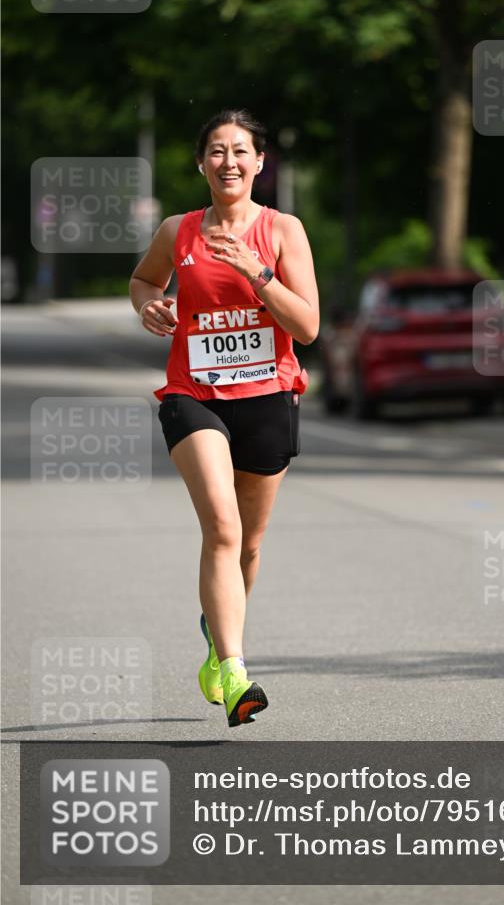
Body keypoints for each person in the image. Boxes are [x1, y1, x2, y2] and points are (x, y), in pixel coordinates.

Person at [129, 109, 319, 727]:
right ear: (200, 163)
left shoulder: (284, 230)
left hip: (268, 396)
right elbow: (141, 280)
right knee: (223, 526)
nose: (229, 162)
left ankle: (217, 638)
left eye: (241, 151)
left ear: (261, 163)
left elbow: (308, 327)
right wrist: (148, 305)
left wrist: (254, 271)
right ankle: (236, 670)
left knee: (251, 544)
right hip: (195, 395)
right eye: (216, 151)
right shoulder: (177, 232)